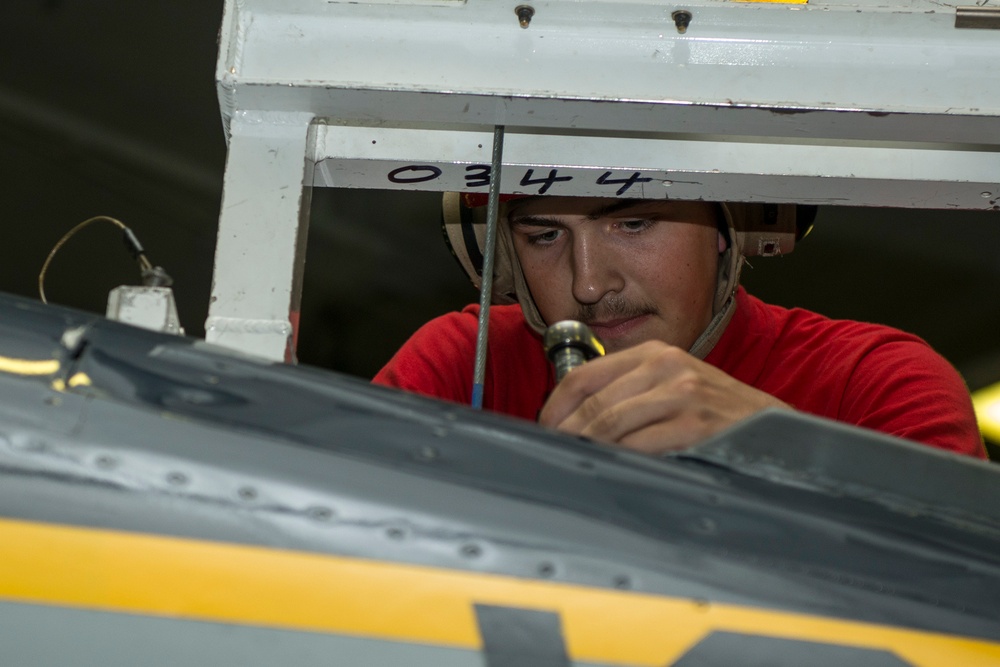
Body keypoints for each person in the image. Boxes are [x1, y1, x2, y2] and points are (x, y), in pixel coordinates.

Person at [373, 194, 985, 459]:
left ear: (728, 227)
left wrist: (782, 451)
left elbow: (965, 595)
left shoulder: (872, 380)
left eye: (634, 224)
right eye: (544, 235)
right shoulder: (461, 363)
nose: (589, 285)